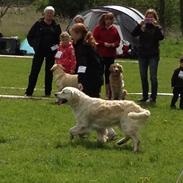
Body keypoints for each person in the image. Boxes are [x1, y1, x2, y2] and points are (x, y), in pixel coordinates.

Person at [25, 6, 61, 97]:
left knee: (49, 73)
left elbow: (59, 41)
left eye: (51, 13)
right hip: (39, 51)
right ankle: (29, 92)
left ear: (53, 15)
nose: (49, 14)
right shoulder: (38, 24)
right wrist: (34, 46)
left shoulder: (56, 26)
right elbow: (29, 36)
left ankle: (47, 92)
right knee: (34, 72)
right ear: (44, 14)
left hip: (51, 53)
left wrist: (55, 49)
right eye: (48, 13)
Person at [132, 9, 164, 103]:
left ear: (155, 18)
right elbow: (133, 34)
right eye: (148, 17)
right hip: (142, 54)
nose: (149, 19)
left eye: (151, 17)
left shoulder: (157, 27)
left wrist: (156, 26)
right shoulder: (142, 26)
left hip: (153, 55)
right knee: (143, 76)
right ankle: (144, 96)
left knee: (153, 77)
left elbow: (161, 37)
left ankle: (153, 98)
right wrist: (139, 25)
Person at [70, 23, 103, 98]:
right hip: (96, 76)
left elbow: (82, 65)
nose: (71, 37)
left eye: (72, 34)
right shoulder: (88, 44)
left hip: (90, 78)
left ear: (79, 34)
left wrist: (80, 80)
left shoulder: (82, 47)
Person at [93, 12, 121, 99]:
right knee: (99, 73)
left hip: (110, 55)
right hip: (100, 54)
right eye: (107, 19)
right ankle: (97, 92)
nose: (108, 21)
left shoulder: (114, 29)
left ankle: (108, 94)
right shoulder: (98, 28)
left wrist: (113, 45)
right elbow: (94, 39)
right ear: (104, 20)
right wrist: (103, 43)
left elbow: (118, 40)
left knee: (109, 74)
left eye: (110, 19)